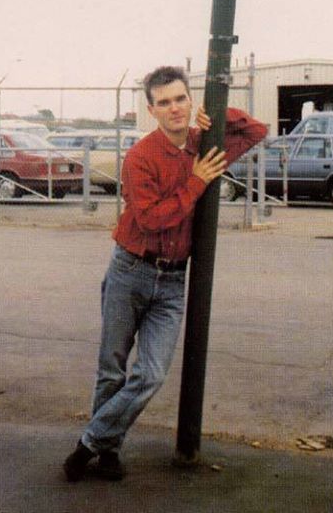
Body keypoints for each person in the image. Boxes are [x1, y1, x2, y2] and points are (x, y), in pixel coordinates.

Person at [64, 66, 267, 482]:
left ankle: (90, 441)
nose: (174, 108)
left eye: (180, 99)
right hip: (131, 270)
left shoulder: (203, 144)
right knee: (113, 368)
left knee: (151, 372)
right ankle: (109, 453)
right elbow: (154, 218)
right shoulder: (141, 157)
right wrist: (194, 182)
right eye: (164, 102)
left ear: (190, 102)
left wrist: (220, 114)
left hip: (173, 280)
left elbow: (255, 132)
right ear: (151, 110)